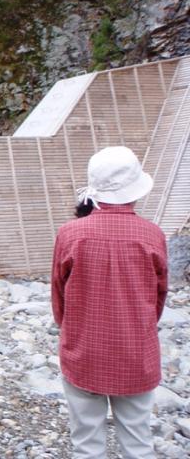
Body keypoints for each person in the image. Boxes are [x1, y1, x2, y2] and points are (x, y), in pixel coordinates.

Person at [51, 146, 168, 459]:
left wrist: (71, 332)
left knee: (86, 444)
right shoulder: (152, 235)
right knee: (138, 442)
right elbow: (158, 298)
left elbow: (58, 298)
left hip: (84, 351)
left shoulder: (70, 233)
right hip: (136, 353)